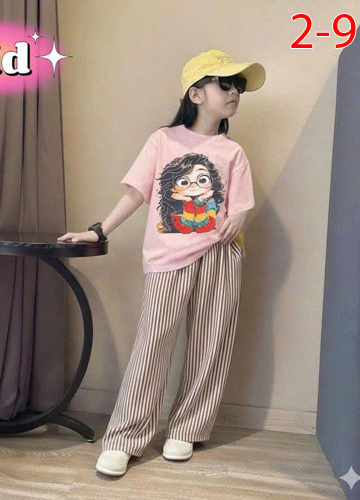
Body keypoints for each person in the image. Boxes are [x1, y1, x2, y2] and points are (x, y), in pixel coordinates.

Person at [57, 48, 266, 476]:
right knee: (153, 342)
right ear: (196, 93)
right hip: (168, 256)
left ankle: (186, 428)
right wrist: (99, 230)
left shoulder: (233, 152)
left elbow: (241, 204)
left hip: (220, 253)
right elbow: (137, 192)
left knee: (211, 342)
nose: (234, 93)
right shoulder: (163, 141)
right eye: (225, 84)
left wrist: (239, 218)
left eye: (239, 87)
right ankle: (125, 436)